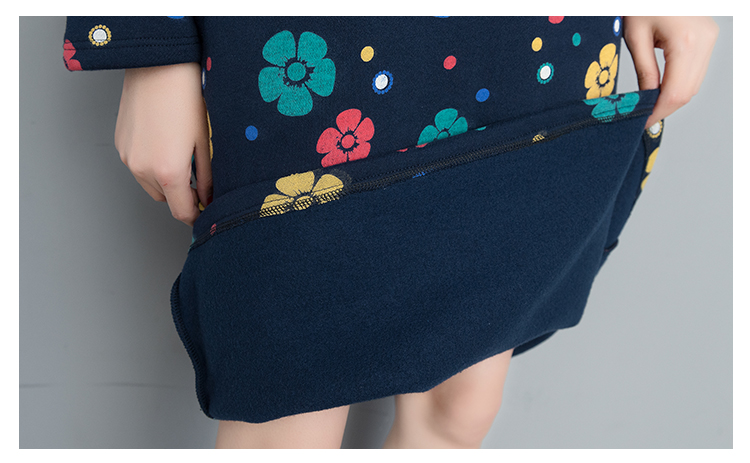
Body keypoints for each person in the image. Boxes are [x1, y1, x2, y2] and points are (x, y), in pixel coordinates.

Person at [63, 16, 718, 449]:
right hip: (311, 50)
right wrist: (151, 43)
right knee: (283, 417)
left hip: (529, 43)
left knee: (461, 406)